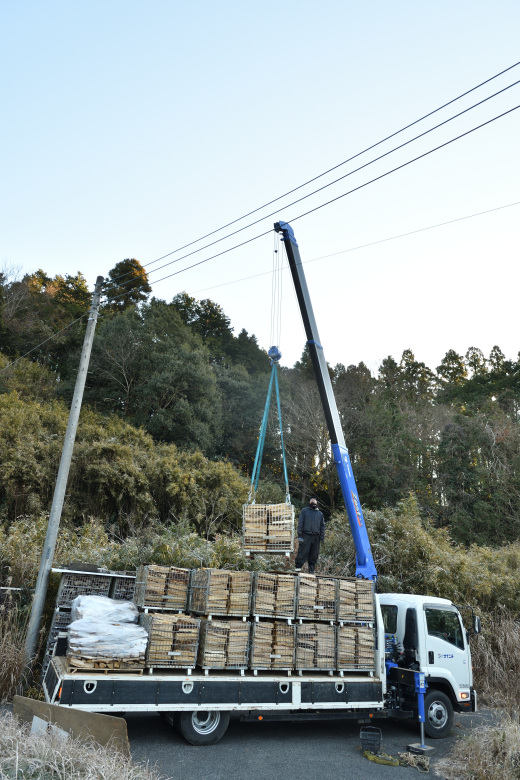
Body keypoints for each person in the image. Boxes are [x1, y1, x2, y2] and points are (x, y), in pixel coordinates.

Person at [294, 497, 325, 574]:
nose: (313, 503)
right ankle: (298, 568)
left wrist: (322, 537)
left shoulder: (320, 514)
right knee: (302, 552)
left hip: (316, 537)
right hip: (305, 535)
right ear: (309, 502)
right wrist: (299, 534)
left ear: (317, 503)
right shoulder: (304, 511)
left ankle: (311, 570)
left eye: (314, 502)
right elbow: (300, 523)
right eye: (312, 501)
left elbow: (322, 526)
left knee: (314, 554)